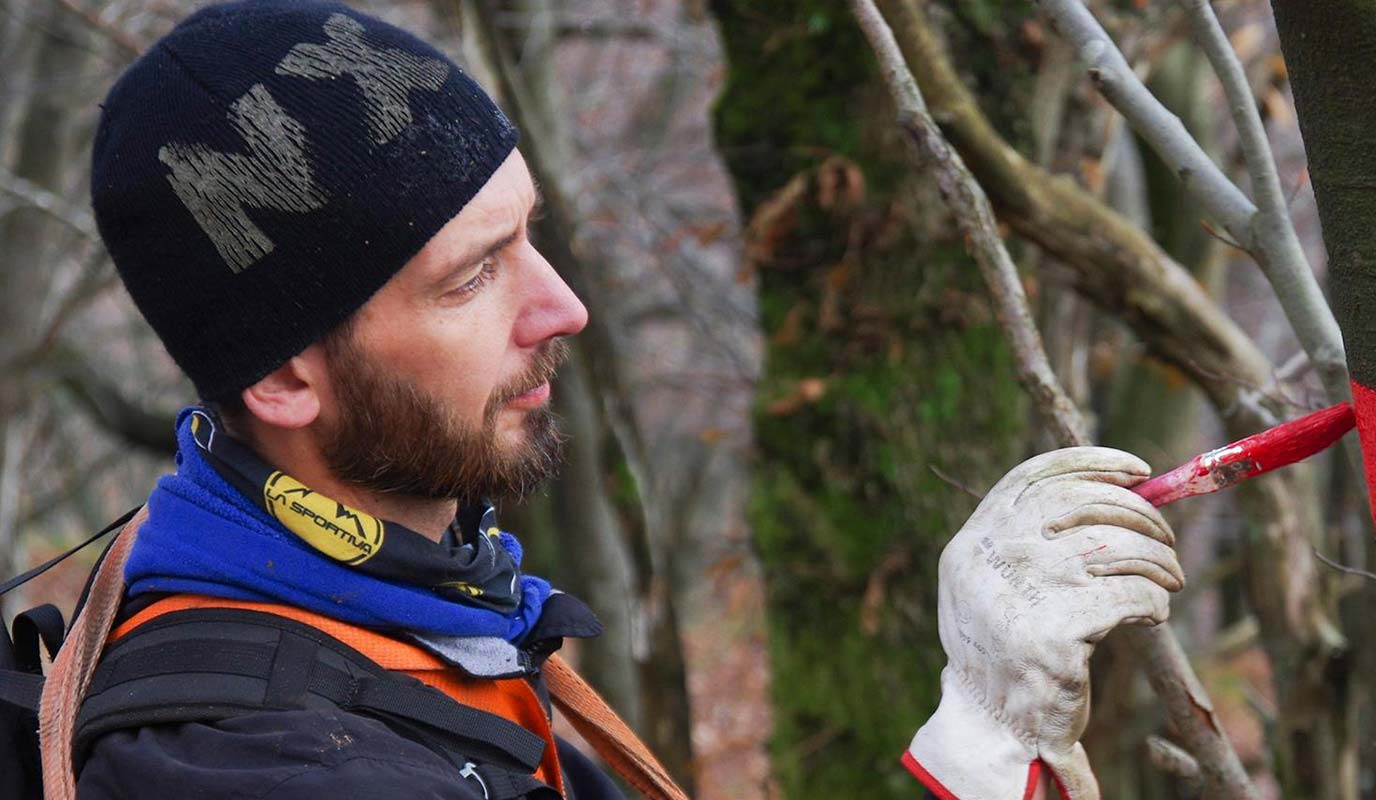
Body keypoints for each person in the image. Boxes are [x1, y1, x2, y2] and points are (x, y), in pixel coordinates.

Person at [60, 1, 1185, 798]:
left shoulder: (413, 611)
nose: (565, 307)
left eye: (529, 232)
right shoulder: (262, 760)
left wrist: (984, 740)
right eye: (471, 275)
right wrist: (979, 755)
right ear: (280, 376)